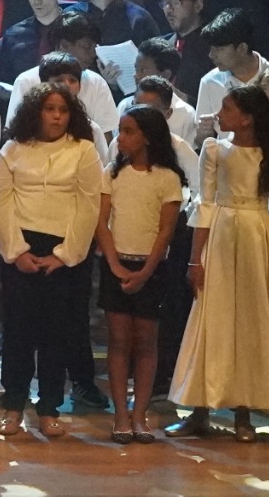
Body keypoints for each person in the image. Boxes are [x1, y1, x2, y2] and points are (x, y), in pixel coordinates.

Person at [170, 83, 269, 440]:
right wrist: (195, 260)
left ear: (245, 119)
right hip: (223, 238)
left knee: (250, 321)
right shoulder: (214, 150)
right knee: (212, 317)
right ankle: (200, 408)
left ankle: (244, 412)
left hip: (257, 239)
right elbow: (206, 205)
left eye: (226, 109)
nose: (219, 115)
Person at [0, 84, 103, 437]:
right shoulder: (13, 149)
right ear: (36, 112)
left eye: (63, 110)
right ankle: (13, 406)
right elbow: (2, 202)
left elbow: (88, 206)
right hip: (21, 249)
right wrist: (17, 252)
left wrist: (64, 256)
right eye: (50, 109)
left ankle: (49, 407)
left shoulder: (84, 151)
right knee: (18, 333)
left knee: (58, 334)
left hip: (65, 255)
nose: (56, 116)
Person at [96, 105, 186, 443]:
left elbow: (166, 232)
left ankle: (140, 415)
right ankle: (120, 415)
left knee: (147, 343)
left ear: (148, 136)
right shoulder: (112, 173)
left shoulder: (167, 177)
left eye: (128, 131)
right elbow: (101, 222)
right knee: (119, 342)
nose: (121, 137)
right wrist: (115, 264)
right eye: (119, 130)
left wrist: (146, 271)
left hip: (152, 269)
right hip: (116, 265)